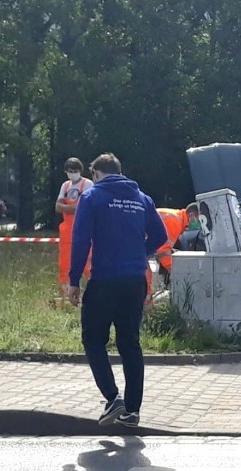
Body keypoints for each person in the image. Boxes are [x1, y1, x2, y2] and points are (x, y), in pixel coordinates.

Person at [68, 153, 167, 428]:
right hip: (135, 281)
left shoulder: (92, 197)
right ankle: (132, 411)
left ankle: (113, 398)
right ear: (120, 173)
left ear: (97, 174)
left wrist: (73, 279)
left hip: (104, 280)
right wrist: (139, 253)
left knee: (93, 339)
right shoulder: (141, 199)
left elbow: (80, 240)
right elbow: (160, 236)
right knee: (129, 343)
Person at [55, 158, 93, 295]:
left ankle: (94, 290)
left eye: (75, 171)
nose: (73, 173)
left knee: (88, 263)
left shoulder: (87, 184)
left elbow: (86, 207)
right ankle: (64, 294)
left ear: (80, 171)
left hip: (83, 229)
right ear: (66, 171)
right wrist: (74, 208)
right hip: (66, 231)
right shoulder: (65, 186)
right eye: (70, 171)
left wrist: (67, 207)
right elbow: (57, 207)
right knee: (64, 263)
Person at [154, 203, 200, 283]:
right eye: (199, 220)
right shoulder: (175, 222)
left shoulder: (177, 218)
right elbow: (163, 251)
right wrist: (174, 272)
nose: (199, 224)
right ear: (192, 216)